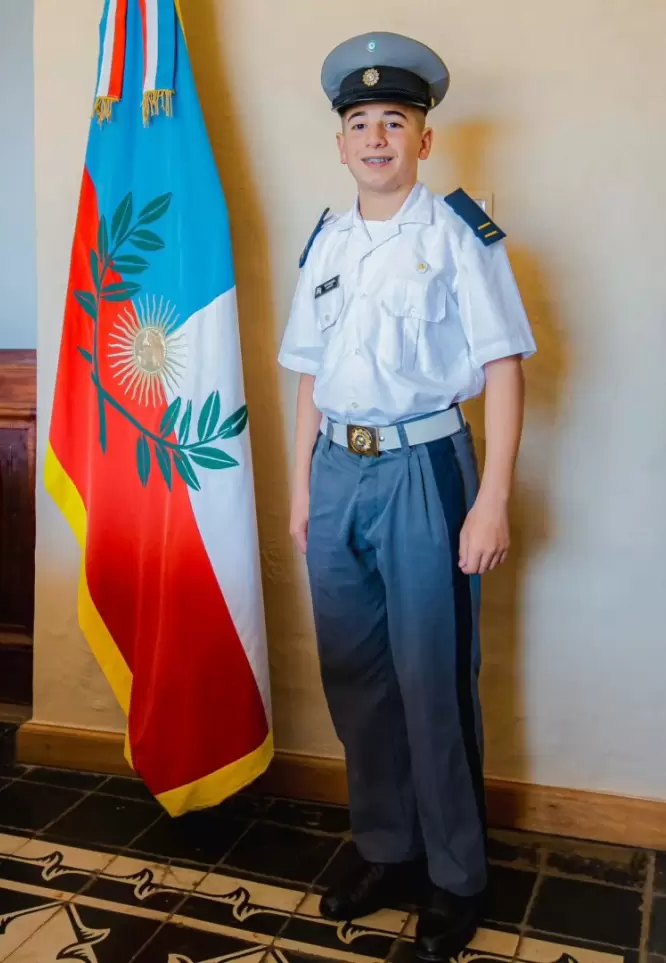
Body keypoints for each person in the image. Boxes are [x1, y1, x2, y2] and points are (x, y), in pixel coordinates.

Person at [277, 31, 537, 962]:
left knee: (433, 677)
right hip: (339, 475)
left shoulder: (460, 234)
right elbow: (308, 374)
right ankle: (385, 847)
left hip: (427, 471)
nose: (377, 136)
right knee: (357, 678)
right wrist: (304, 487)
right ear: (339, 144)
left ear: (425, 140)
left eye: (396, 120)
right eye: (359, 122)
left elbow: (503, 366)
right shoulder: (327, 242)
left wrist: (492, 497)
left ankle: (458, 874)